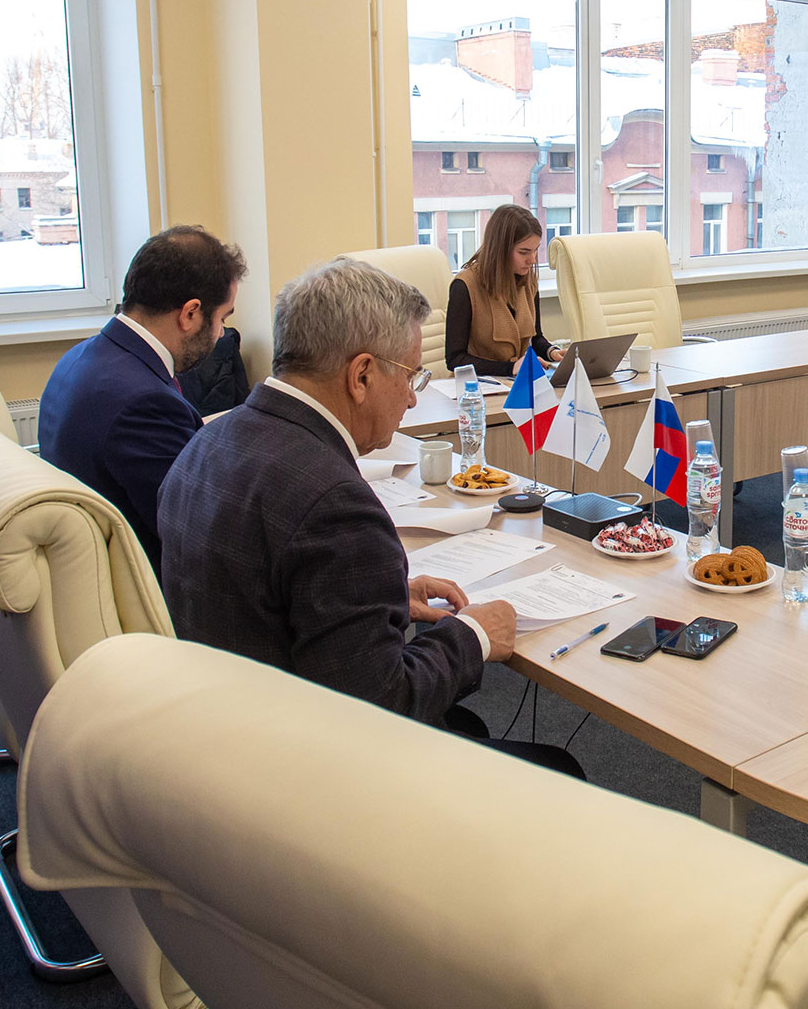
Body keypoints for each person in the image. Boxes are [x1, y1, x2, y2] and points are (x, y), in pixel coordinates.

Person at [158, 257, 583, 778]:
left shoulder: (206, 441)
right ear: (361, 375)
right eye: (409, 375)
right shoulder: (335, 503)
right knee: (560, 771)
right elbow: (384, 707)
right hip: (306, 776)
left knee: (466, 725)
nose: (412, 397)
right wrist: (473, 633)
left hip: (220, 742)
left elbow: (265, 594)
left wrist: (380, 597)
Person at [39, 225, 245, 573]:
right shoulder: (145, 404)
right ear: (190, 313)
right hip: (155, 583)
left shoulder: (80, 358)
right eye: (221, 318)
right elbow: (202, 534)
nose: (220, 333)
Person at [445, 204, 557, 378]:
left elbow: (535, 338)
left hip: (516, 382)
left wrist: (551, 352)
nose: (532, 260)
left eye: (535, 250)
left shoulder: (528, 281)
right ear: (500, 249)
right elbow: (455, 359)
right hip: (479, 385)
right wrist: (509, 368)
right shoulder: (464, 286)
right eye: (524, 252)